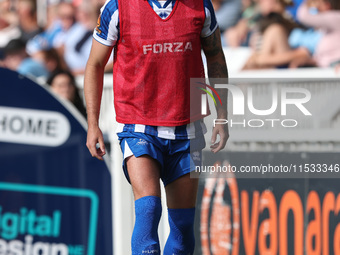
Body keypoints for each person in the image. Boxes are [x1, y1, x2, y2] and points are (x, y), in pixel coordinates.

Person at [84, 0, 229, 254]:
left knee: (182, 228)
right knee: (149, 209)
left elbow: (215, 55)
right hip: (140, 126)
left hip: (188, 127)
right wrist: (92, 123)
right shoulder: (117, 7)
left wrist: (222, 114)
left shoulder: (200, 6)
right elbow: (95, 64)